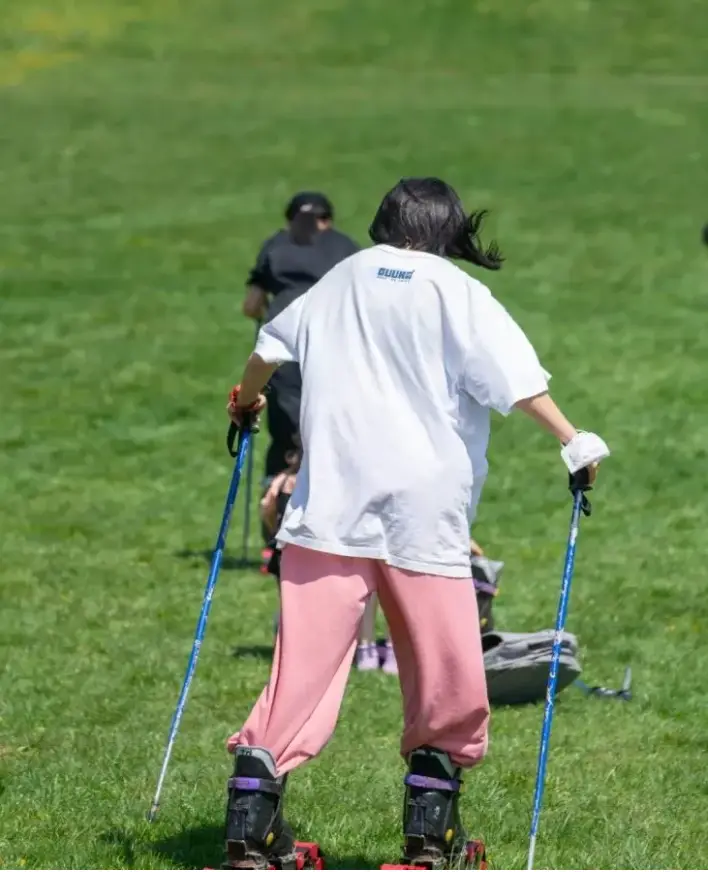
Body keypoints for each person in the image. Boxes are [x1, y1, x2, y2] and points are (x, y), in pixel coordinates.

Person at [222, 177, 610, 870]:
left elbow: (268, 351)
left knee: (299, 673)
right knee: (445, 673)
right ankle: (429, 840)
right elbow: (521, 385)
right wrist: (572, 441)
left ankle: (250, 830)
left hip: (326, 514)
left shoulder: (339, 279)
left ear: (381, 221)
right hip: (422, 519)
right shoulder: (456, 291)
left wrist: (244, 404)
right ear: (448, 228)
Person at [242, 192, 359, 481]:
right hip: (335, 342)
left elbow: (251, 306)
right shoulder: (347, 247)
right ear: (328, 220)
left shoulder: (276, 244)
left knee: (288, 428)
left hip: (284, 344)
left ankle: (281, 492)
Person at [260, 440, 398, 675]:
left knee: (290, 603)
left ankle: (292, 649)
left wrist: (274, 533)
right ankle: (371, 649)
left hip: (285, 551)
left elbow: (266, 506)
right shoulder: (325, 482)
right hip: (315, 551)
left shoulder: (283, 481)